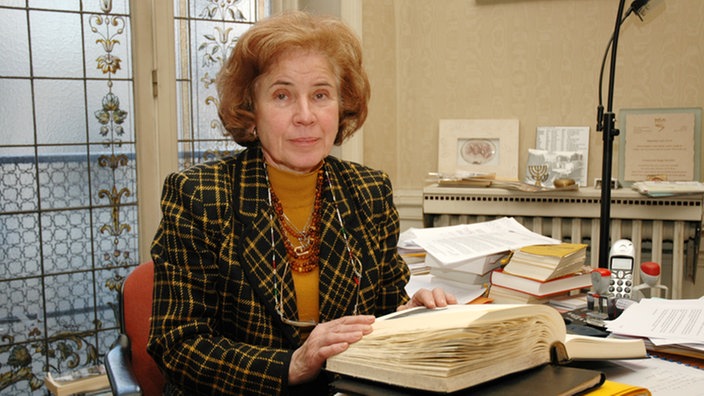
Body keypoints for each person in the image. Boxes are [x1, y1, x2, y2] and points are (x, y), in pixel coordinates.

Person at [147, 10, 456, 395]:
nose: (306, 116)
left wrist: (410, 317)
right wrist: (291, 365)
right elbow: (177, 344)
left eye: (321, 95)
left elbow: (384, 308)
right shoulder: (200, 195)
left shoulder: (369, 189)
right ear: (251, 111)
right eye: (282, 95)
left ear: (341, 107)